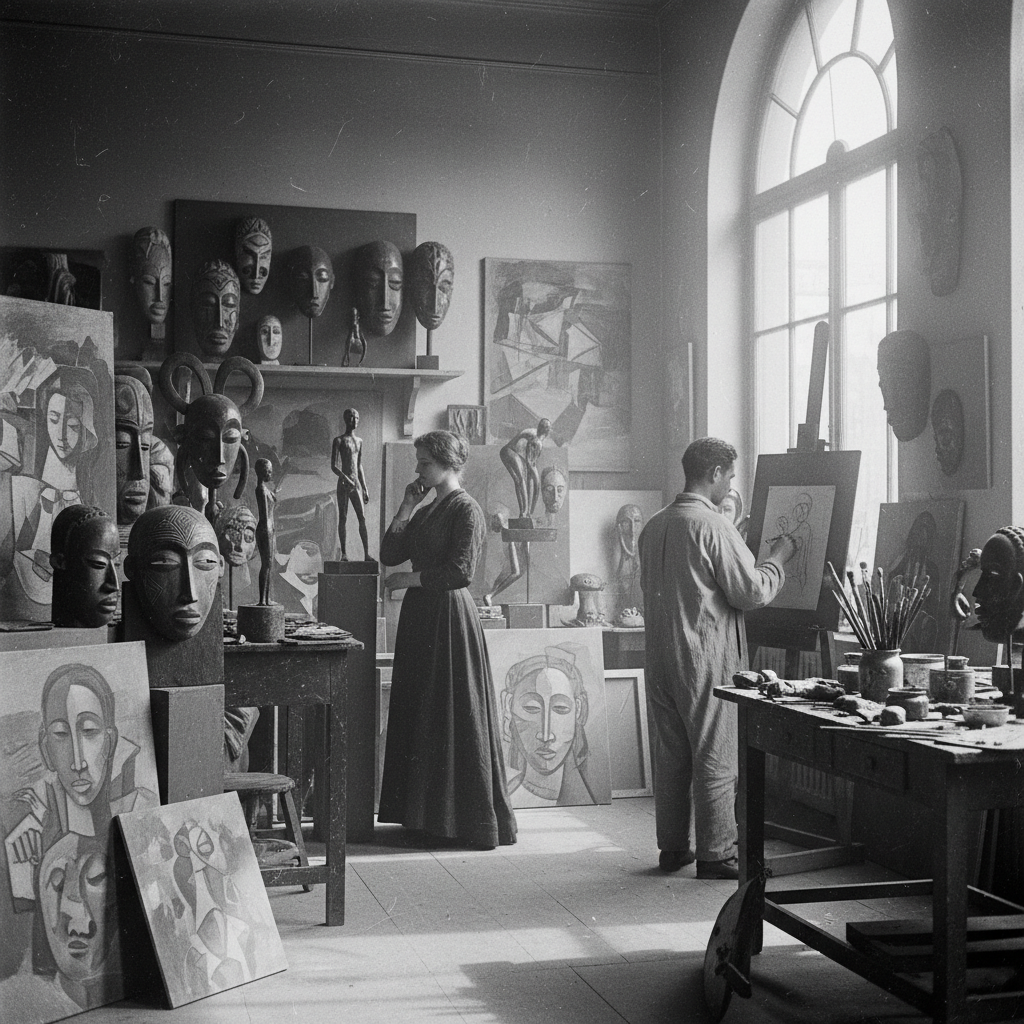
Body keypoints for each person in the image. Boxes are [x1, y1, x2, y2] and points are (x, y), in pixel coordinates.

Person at [639, 437, 794, 878]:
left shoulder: (654, 525)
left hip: (660, 655)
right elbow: (751, 592)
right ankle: (716, 853)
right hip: (702, 656)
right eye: (729, 476)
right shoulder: (713, 526)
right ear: (713, 473)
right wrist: (778, 558)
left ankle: (673, 849)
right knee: (714, 752)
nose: (730, 485)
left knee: (671, 756)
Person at [379, 430, 516, 849]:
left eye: (424, 463)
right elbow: (389, 554)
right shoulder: (425, 511)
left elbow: (461, 572)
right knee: (423, 711)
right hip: (421, 618)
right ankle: (425, 820)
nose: (418, 470)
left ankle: (462, 823)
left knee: (449, 713)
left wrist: (407, 580)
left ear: (446, 463)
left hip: (449, 618)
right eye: (418, 462)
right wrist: (406, 505)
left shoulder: (466, 509)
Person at [500, 645, 598, 807]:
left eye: (561, 708)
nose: (546, 736)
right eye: (531, 708)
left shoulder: (585, 798)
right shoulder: (503, 800)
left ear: (579, 710)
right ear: (508, 707)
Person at [331, 408, 370, 561]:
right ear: (346, 419)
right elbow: (334, 466)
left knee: (362, 518)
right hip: (344, 483)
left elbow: (359, 465)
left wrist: (365, 488)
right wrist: (345, 478)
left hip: (356, 483)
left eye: (357, 417)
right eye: (351, 417)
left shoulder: (359, 441)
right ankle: (344, 554)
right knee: (343, 517)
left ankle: (366, 554)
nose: (354, 421)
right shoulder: (339, 440)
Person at [499, 418, 551, 520]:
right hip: (510, 452)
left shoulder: (537, 439)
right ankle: (524, 511)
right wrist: (536, 478)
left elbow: (531, 466)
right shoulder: (535, 439)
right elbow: (530, 463)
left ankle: (527, 513)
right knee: (521, 480)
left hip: (512, 453)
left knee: (522, 480)